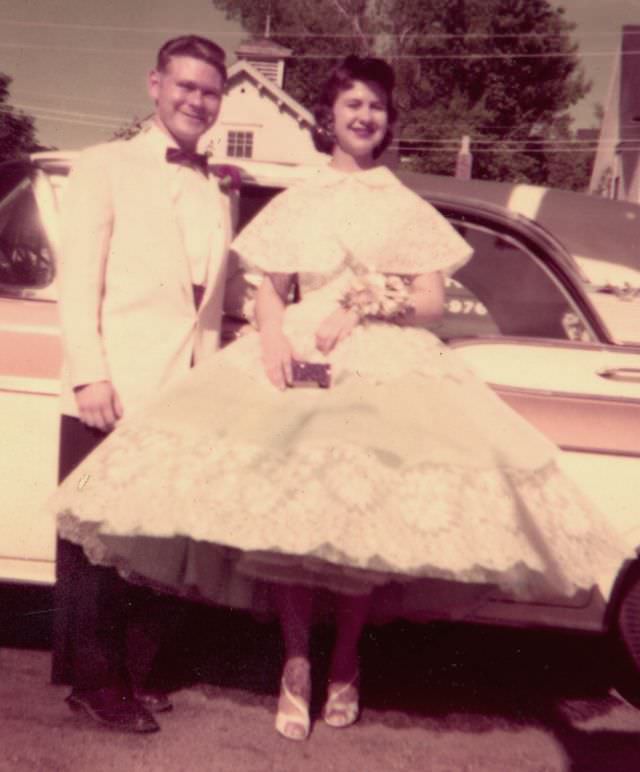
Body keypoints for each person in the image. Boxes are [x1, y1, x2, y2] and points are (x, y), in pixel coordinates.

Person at [50, 55, 628, 741]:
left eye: (376, 106)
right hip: (296, 361)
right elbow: (269, 289)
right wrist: (271, 340)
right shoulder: (297, 198)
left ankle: (346, 660)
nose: (364, 115)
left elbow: (430, 300)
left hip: (381, 371)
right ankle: (295, 664)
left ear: (387, 120)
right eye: (352, 103)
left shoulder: (404, 204)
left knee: (358, 530)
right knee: (295, 521)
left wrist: (364, 302)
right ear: (329, 115)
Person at [53, 34, 241, 733]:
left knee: (154, 541)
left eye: (210, 91)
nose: (197, 100)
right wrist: (89, 375)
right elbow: (79, 284)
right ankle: (95, 685)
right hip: (116, 383)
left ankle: (133, 672)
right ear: (154, 85)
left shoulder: (217, 188)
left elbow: (208, 302)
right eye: (185, 86)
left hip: (184, 393)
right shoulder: (104, 166)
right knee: (101, 544)